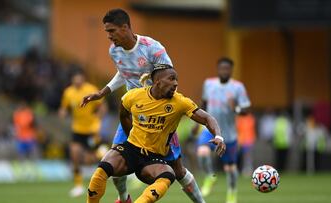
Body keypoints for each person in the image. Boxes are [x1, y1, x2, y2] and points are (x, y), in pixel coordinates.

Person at [81, 8, 206, 203]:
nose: (109, 36)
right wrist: (102, 92)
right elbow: (124, 73)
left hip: (159, 117)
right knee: (115, 160)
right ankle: (125, 199)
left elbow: (169, 78)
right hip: (133, 113)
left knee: (178, 169)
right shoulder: (114, 51)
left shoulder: (153, 49)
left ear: (125, 28)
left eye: (111, 31)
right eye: (107, 31)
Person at [86, 64, 226, 203]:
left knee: (169, 175)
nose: (175, 83)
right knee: (102, 170)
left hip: (153, 157)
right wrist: (130, 136)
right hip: (131, 148)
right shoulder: (133, 96)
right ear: (158, 81)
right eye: (171, 79)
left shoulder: (180, 102)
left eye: (176, 80)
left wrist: (218, 136)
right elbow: (123, 114)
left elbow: (208, 118)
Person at [196, 57, 251, 203]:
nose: (224, 71)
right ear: (218, 69)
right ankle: (209, 177)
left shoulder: (238, 87)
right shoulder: (209, 84)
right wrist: (196, 124)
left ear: (231, 70)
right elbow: (204, 103)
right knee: (202, 151)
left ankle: (232, 193)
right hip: (210, 129)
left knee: (230, 168)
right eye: (222, 68)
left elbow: (246, 109)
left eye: (227, 69)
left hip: (229, 133)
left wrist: (236, 108)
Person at [59, 71, 107, 197]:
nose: (77, 81)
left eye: (79, 79)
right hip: (77, 129)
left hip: (92, 129)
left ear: (83, 79)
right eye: (75, 79)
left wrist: (98, 119)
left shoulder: (90, 89)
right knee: (74, 154)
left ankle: (106, 156)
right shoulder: (68, 92)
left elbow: (102, 106)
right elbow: (64, 107)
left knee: (94, 157)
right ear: (72, 80)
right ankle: (78, 186)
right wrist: (63, 112)